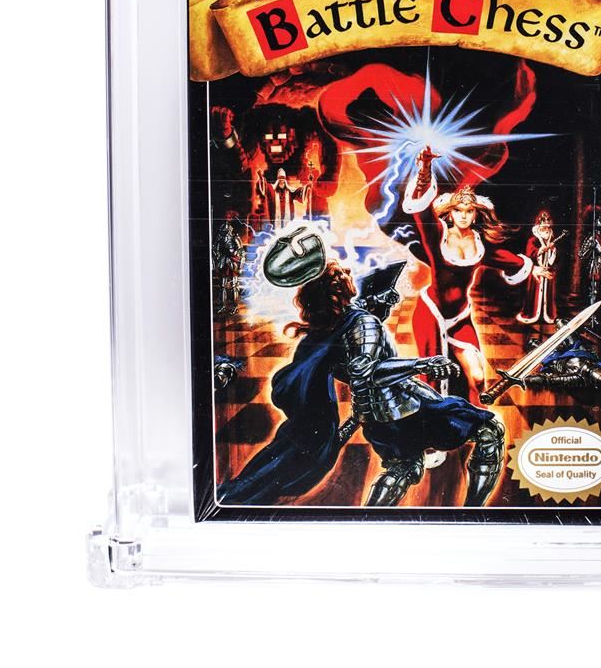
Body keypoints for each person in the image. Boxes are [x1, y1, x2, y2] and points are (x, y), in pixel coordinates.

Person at [217, 228, 504, 507]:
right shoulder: (361, 323)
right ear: (338, 288)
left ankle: (371, 518)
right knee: (490, 430)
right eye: (343, 273)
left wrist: (376, 308)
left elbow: (351, 349)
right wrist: (423, 363)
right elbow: (367, 372)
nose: (349, 272)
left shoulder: (334, 323)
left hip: (380, 419)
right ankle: (474, 510)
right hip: (403, 410)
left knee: (404, 468)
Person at [402, 146, 553, 405]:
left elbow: (505, 259)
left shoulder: (481, 244)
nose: (463, 216)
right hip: (431, 314)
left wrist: (534, 268)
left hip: (460, 318)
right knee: (432, 380)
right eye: (458, 210)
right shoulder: (437, 236)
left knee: (478, 376)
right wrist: (425, 170)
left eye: (469, 211)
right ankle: (432, 425)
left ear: (476, 214)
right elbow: (421, 211)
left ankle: (472, 420)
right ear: (450, 213)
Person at [518, 210, 561, 327]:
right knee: (534, 294)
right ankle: (533, 314)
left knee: (549, 294)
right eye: (543, 221)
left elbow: (556, 258)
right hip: (536, 270)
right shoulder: (533, 239)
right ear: (539, 223)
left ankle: (546, 314)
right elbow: (529, 253)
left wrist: (552, 249)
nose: (546, 223)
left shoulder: (552, 238)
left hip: (548, 269)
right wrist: (541, 250)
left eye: (547, 221)